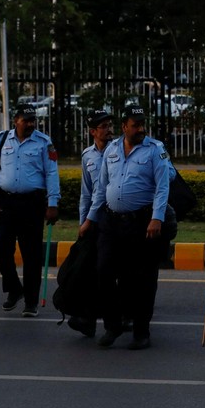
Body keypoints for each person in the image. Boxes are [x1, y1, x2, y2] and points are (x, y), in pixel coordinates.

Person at [84, 105, 171, 350]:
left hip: (141, 222)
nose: (141, 129)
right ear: (124, 127)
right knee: (103, 271)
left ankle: (142, 332)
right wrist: (90, 219)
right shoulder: (111, 150)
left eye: (143, 124)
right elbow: (101, 189)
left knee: (141, 279)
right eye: (136, 124)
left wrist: (157, 218)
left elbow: (163, 187)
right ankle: (112, 326)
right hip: (111, 222)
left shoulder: (155, 150)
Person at [0, 104, 60, 317]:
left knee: (32, 255)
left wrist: (53, 203)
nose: (30, 124)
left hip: (32, 205)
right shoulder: (1, 140)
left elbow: (51, 173)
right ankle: (14, 289)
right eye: (25, 120)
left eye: (32, 120)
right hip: (4, 203)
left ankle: (30, 300)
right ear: (15, 120)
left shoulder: (44, 143)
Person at [68, 109, 114, 337]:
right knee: (89, 270)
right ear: (92, 131)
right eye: (103, 127)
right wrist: (82, 222)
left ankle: (119, 317)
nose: (108, 130)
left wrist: (89, 219)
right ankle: (87, 318)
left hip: (114, 219)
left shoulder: (119, 151)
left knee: (109, 270)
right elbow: (87, 193)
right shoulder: (88, 156)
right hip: (94, 222)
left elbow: (105, 193)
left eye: (109, 125)